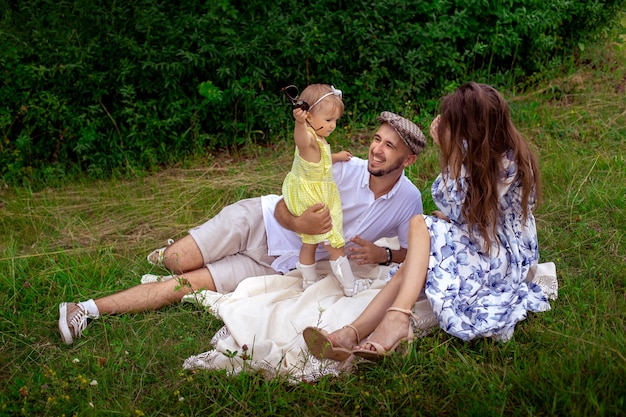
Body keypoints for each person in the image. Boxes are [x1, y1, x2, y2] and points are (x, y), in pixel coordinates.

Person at [58, 110, 427, 345]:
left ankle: (85, 308)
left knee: (183, 285)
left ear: (407, 159)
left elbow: (417, 251)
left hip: (276, 264)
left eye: (389, 146)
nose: (377, 149)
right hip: (259, 222)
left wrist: (386, 253)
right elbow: (285, 205)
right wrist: (301, 222)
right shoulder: (342, 170)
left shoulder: (409, 200)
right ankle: (172, 250)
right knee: (175, 261)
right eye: (377, 139)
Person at [304, 82, 554, 361]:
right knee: (420, 243)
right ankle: (353, 333)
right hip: (481, 239)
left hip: (502, 258)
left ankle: (384, 324)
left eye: (454, 125)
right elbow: (470, 212)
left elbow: (456, 204)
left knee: (421, 227)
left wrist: (452, 154)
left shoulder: (508, 161)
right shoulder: (484, 146)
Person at [282, 84, 357, 295]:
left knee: (310, 242)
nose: (333, 125)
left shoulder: (319, 140)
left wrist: (337, 157)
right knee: (334, 243)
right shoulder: (308, 137)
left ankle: (308, 282)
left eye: (335, 121)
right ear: (308, 117)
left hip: (308, 194)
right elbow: (302, 142)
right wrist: (298, 123)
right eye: (328, 120)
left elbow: (319, 161)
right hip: (314, 198)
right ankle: (350, 286)